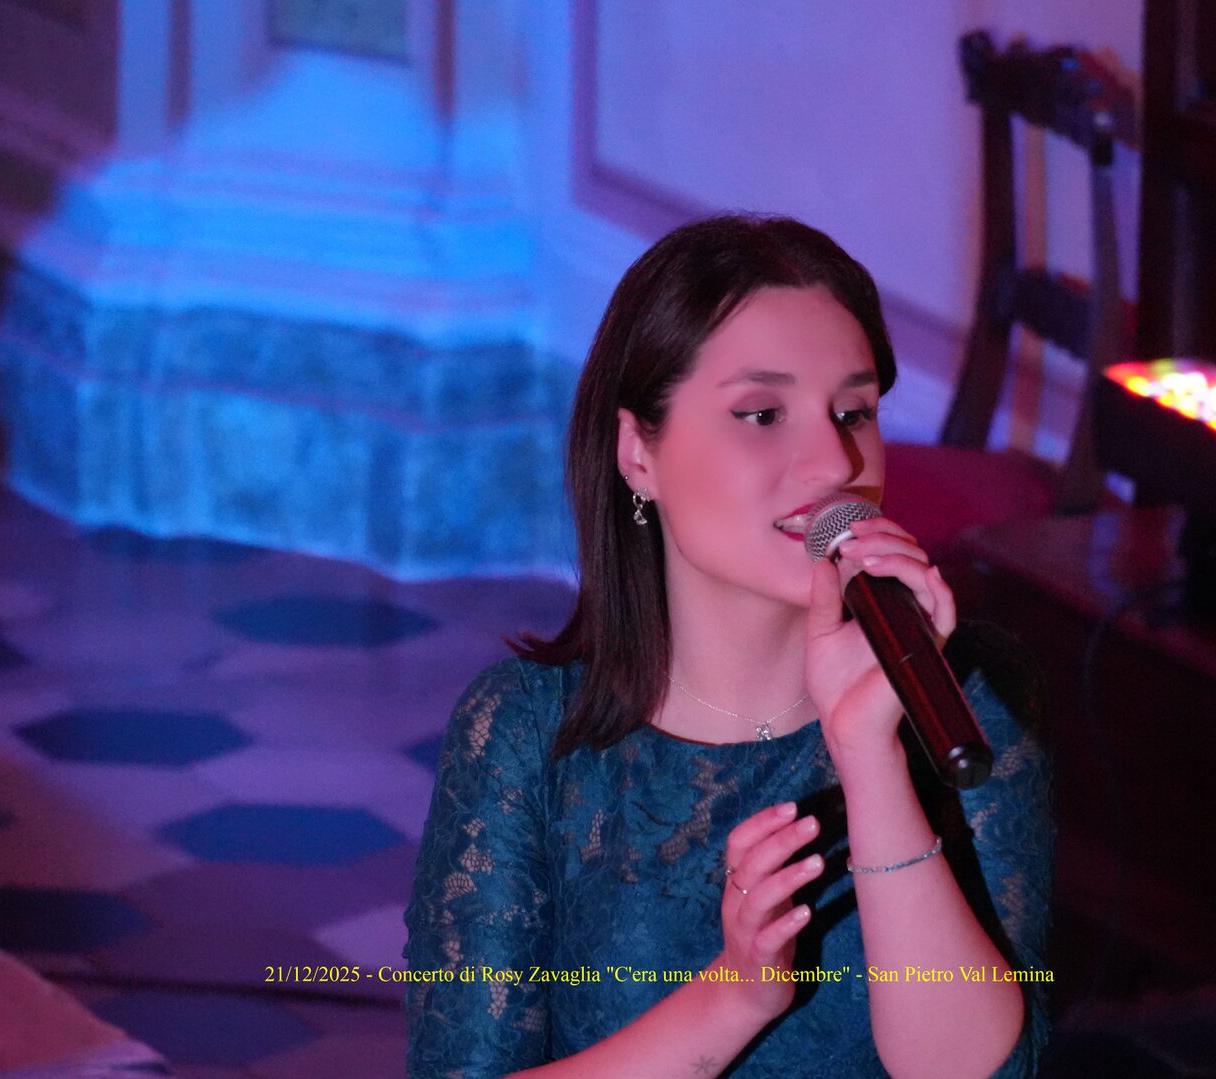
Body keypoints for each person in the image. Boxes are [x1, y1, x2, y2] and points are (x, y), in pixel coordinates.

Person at [403, 215, 1053, 1078]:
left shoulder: (965, 698)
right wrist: (735, 994)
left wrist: (869, 753)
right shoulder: (524, 732)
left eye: (854, 412)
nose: (834, 464)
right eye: (762, 414)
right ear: (639, 454)